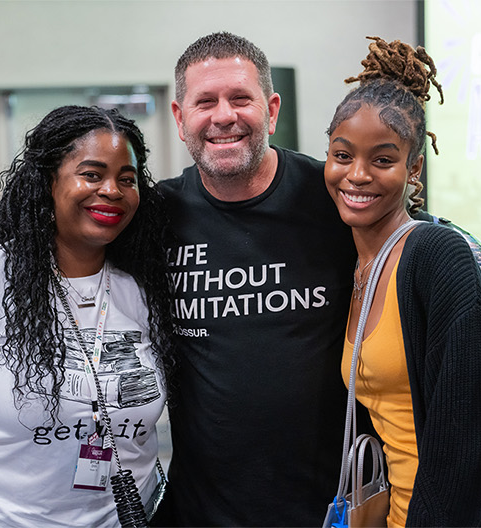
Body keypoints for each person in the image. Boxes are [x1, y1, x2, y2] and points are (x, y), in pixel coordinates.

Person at [0, 105, 177, 528]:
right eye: (91, 174)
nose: (112, 190)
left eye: (128, 179)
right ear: (48, 181)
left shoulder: (142, 287)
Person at [319, 37, 481, 526]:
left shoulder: (434, 256)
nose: (356, 175)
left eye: (382, 160)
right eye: (342, 154)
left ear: (413, 168)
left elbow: (469, 438)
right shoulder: (353, 263)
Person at [145, 33, 361, 526]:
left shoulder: (335, 199)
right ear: (180, 119)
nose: (223, 116)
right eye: (205, 102)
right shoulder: (156, 216)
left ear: (271, 108)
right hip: (202, 514)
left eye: (240, 98)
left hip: (333, 509)